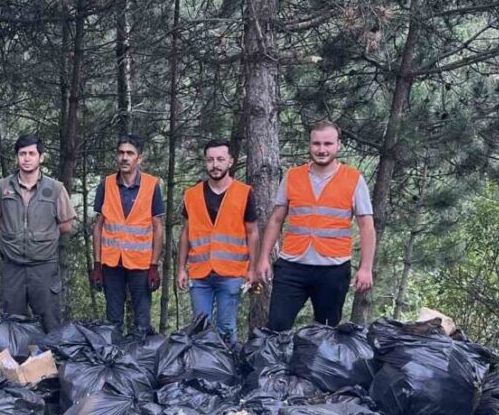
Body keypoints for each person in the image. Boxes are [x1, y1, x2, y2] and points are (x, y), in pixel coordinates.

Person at [256, 119, 376, 331]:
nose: (321, 150)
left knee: (327, 332)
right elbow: (276, 219)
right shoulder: (293, 176)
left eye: (328, 144)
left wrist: (365, 268)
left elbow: (366, 226)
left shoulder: (353, 179)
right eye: (316, 144)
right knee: (276, 327)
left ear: (338, 145)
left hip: (333, 269)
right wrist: (264, 257)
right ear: (310, 145)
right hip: (292, 266)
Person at [0, 134, 76, 331]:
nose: (26, 158)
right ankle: (19, 353)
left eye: (32, 154)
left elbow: (67, 225)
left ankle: (49, 353)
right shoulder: (3, 186)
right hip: (12, 266)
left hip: (44, 267)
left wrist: (43, 234)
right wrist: (11, 231)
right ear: (16, 157)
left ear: (41, 157)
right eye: (22, 154)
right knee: (11, 325)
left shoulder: (55, 188)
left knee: (50, 323)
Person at [176, 139, 259, 343]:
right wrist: (181, 269)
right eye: (210, 160)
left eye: (220, 159)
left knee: (226, 328)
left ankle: (229, 362)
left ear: (230, 161)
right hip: (199, 272)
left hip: (231, 273)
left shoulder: (244, 193)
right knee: (200, 328)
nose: (215, 165)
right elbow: (186, 233)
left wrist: (252, 269)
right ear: (205, 162)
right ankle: (202, 362)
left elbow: (252, 233)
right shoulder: (192, 195)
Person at [90, 134, 165, 339]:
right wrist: (97, 264)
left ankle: (141, 356)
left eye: (130, 153)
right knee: (113, 320)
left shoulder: (152, 185)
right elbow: (98, 226)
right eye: (121, 153)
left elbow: (158, 228)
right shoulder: (106, 184)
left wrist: (154, 266)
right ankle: (114, 356)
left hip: (141, 263)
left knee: (142, 321)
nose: (124, 157)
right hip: (111, 262)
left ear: (139, 158)